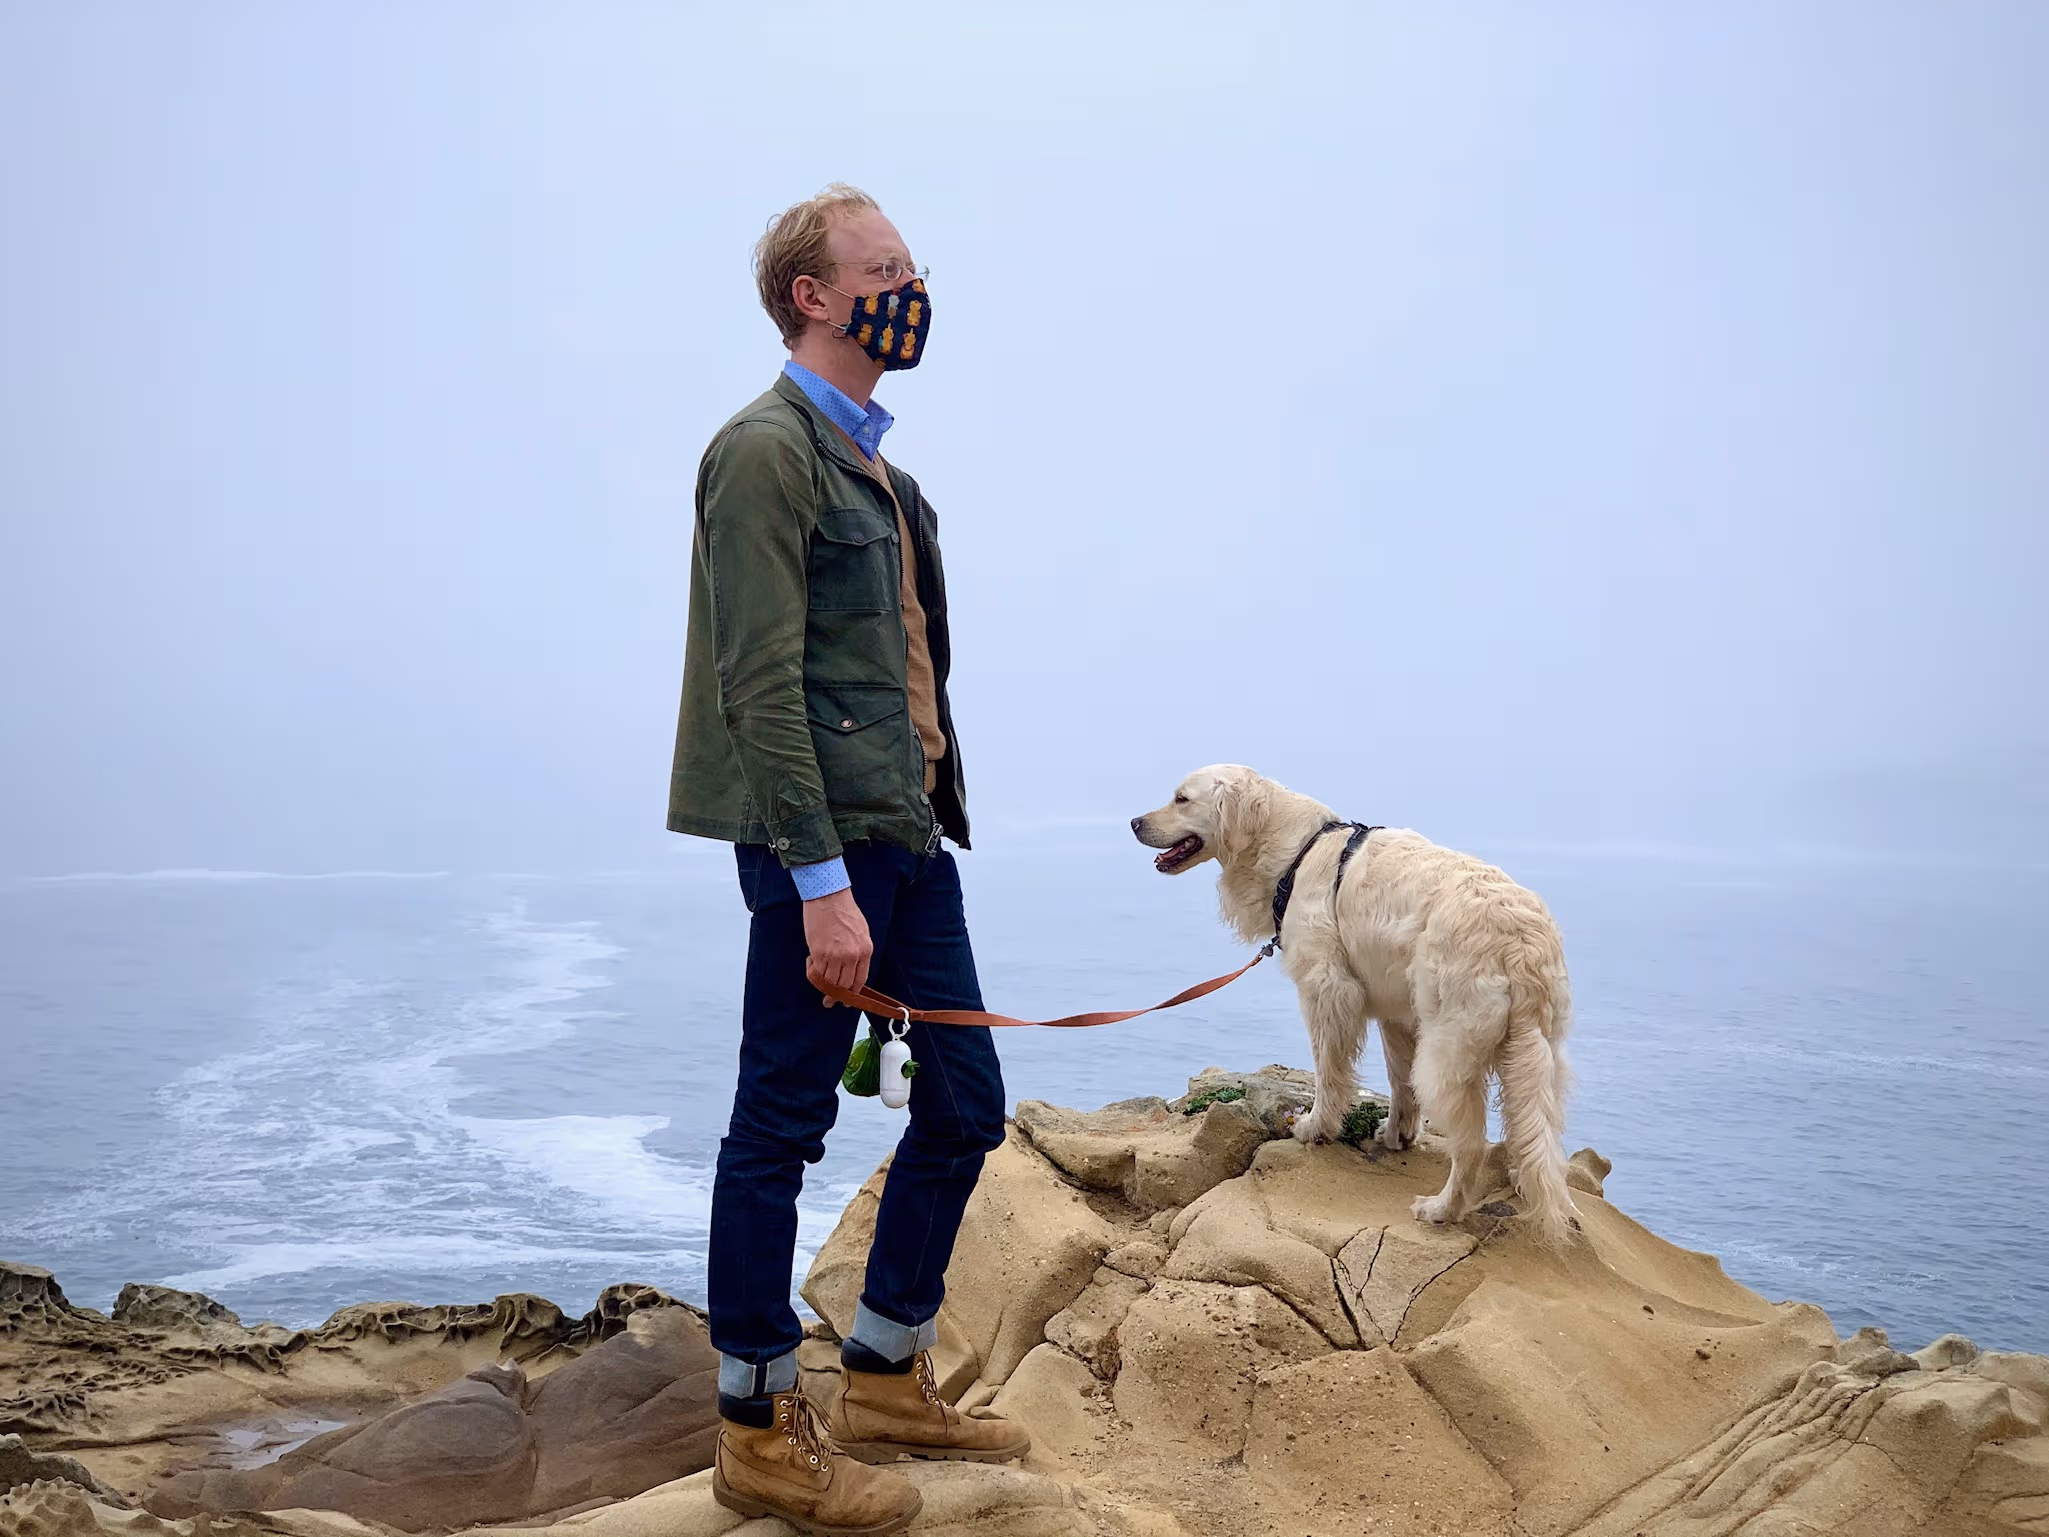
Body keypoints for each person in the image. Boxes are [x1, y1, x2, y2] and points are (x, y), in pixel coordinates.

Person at [667, 184, 1028, 1536]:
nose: (910, 287)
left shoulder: (886, 471)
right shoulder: (762, 452)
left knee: (968, 1103)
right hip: (819, 850)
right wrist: (819, 886)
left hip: (908, 840)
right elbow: (758, 683)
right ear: (810, 298)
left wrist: (903, 838)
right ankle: (757, 1425)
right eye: (882, 269)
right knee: (781, 1125)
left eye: (912, 266)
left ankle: (881, 1373)